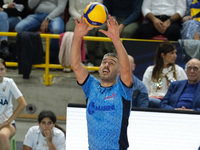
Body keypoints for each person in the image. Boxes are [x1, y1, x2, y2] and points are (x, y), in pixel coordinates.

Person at [70, 15, 133, 149]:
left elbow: (126, 69)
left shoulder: (122, 90)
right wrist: (77, 37)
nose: (106, 65)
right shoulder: (91, 86)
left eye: (111, 63)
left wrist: (116, 39)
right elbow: (75, 65)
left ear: (118, 71)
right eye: (104, 62)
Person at [142, 42, 187, 108]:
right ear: (163, 55)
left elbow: (184, 89)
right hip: (153, 100)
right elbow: (144, 90)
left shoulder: (179, 70)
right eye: (172, 53)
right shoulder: (150, 70)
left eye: (175, 53)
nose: (175, 56)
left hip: (171, 102)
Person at [65, 0, 103, 66]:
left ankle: (91, 61)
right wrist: (80, 18)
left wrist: (88, 19)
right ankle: (69, 61)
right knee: (69, 29)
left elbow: (98, 8)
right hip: (76, 18)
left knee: (91, 31)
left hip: (92, 19)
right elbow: (71, 9)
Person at [0, 58, 27, 150]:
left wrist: (8, 121)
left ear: (5, 70)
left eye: (1, 69)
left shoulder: (9, 83)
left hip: (7, 124)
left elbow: (23, 103)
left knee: (3, 135)